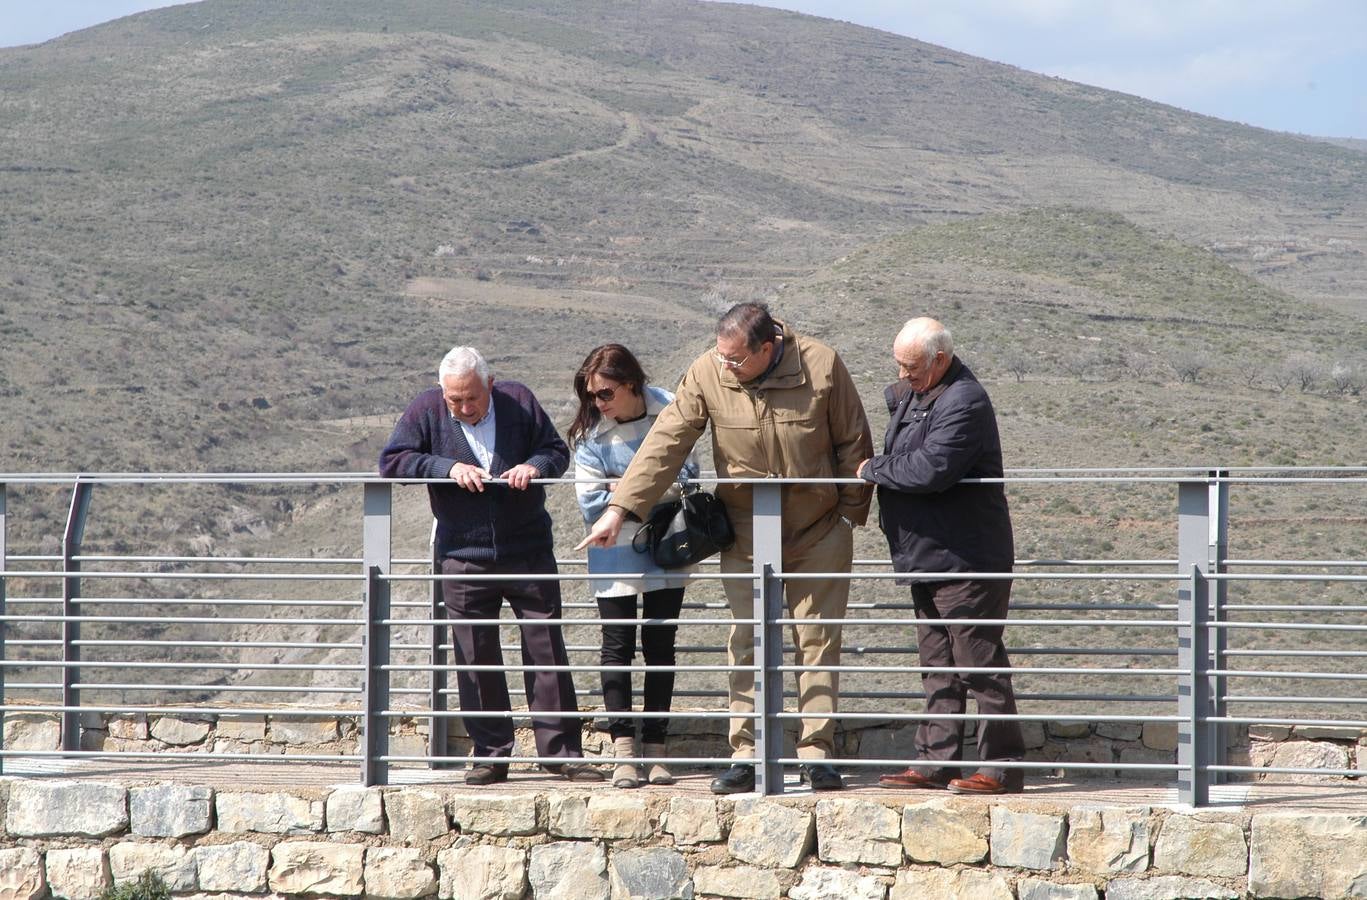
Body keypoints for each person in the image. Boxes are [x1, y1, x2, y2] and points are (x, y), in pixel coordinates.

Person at [578, 303, 873, 793]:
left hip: (817, 528)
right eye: (721, 356)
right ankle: (748, 754)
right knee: (747, 641)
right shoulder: (707, 371)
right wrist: (620, 510)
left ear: (767, 347)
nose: (726, 366)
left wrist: (847, 514)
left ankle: (816, 754)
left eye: (736, 359)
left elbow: (852, 440)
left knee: (817, 641)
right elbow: (666, 442)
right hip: (744, 530)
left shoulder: (822, 364)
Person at [379, 346, 602, 785]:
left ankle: (562, 754)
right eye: (454, 400)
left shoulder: (519, 400)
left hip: (529, 550)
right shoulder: (426, 408)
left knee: (546, 652)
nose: (463, 408)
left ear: (491, 384)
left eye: (471, 399)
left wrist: (534, 467)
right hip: (462, 556)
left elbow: (555, 451)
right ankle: (490, 754)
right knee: (475, 657)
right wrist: (445, 468)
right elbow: (393, 462)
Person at [857, 317, 1024, 795]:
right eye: (900, 367)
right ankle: (934, 762)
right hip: (927, 556)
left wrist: (874, 468)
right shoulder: (919, 392)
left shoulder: (964, 400)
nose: (903, 376)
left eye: (912, 368)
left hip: (967, 557)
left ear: (941, 360)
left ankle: (1002, 767)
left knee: (978, 662)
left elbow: (932, 468)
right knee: (938, 664)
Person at [568, 344, 700, 789]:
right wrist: (648, 487)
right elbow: (588, 503)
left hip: (667, 545)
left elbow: (688, 474)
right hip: (613, 552)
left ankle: (657, 750)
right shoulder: (592, 432)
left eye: (605, 394)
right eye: (592, 396)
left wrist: (622, 494)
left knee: (661, 646)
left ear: (632, 384)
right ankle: (624, 751)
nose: (598, 404)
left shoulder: (668, 408)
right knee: (617, 646)